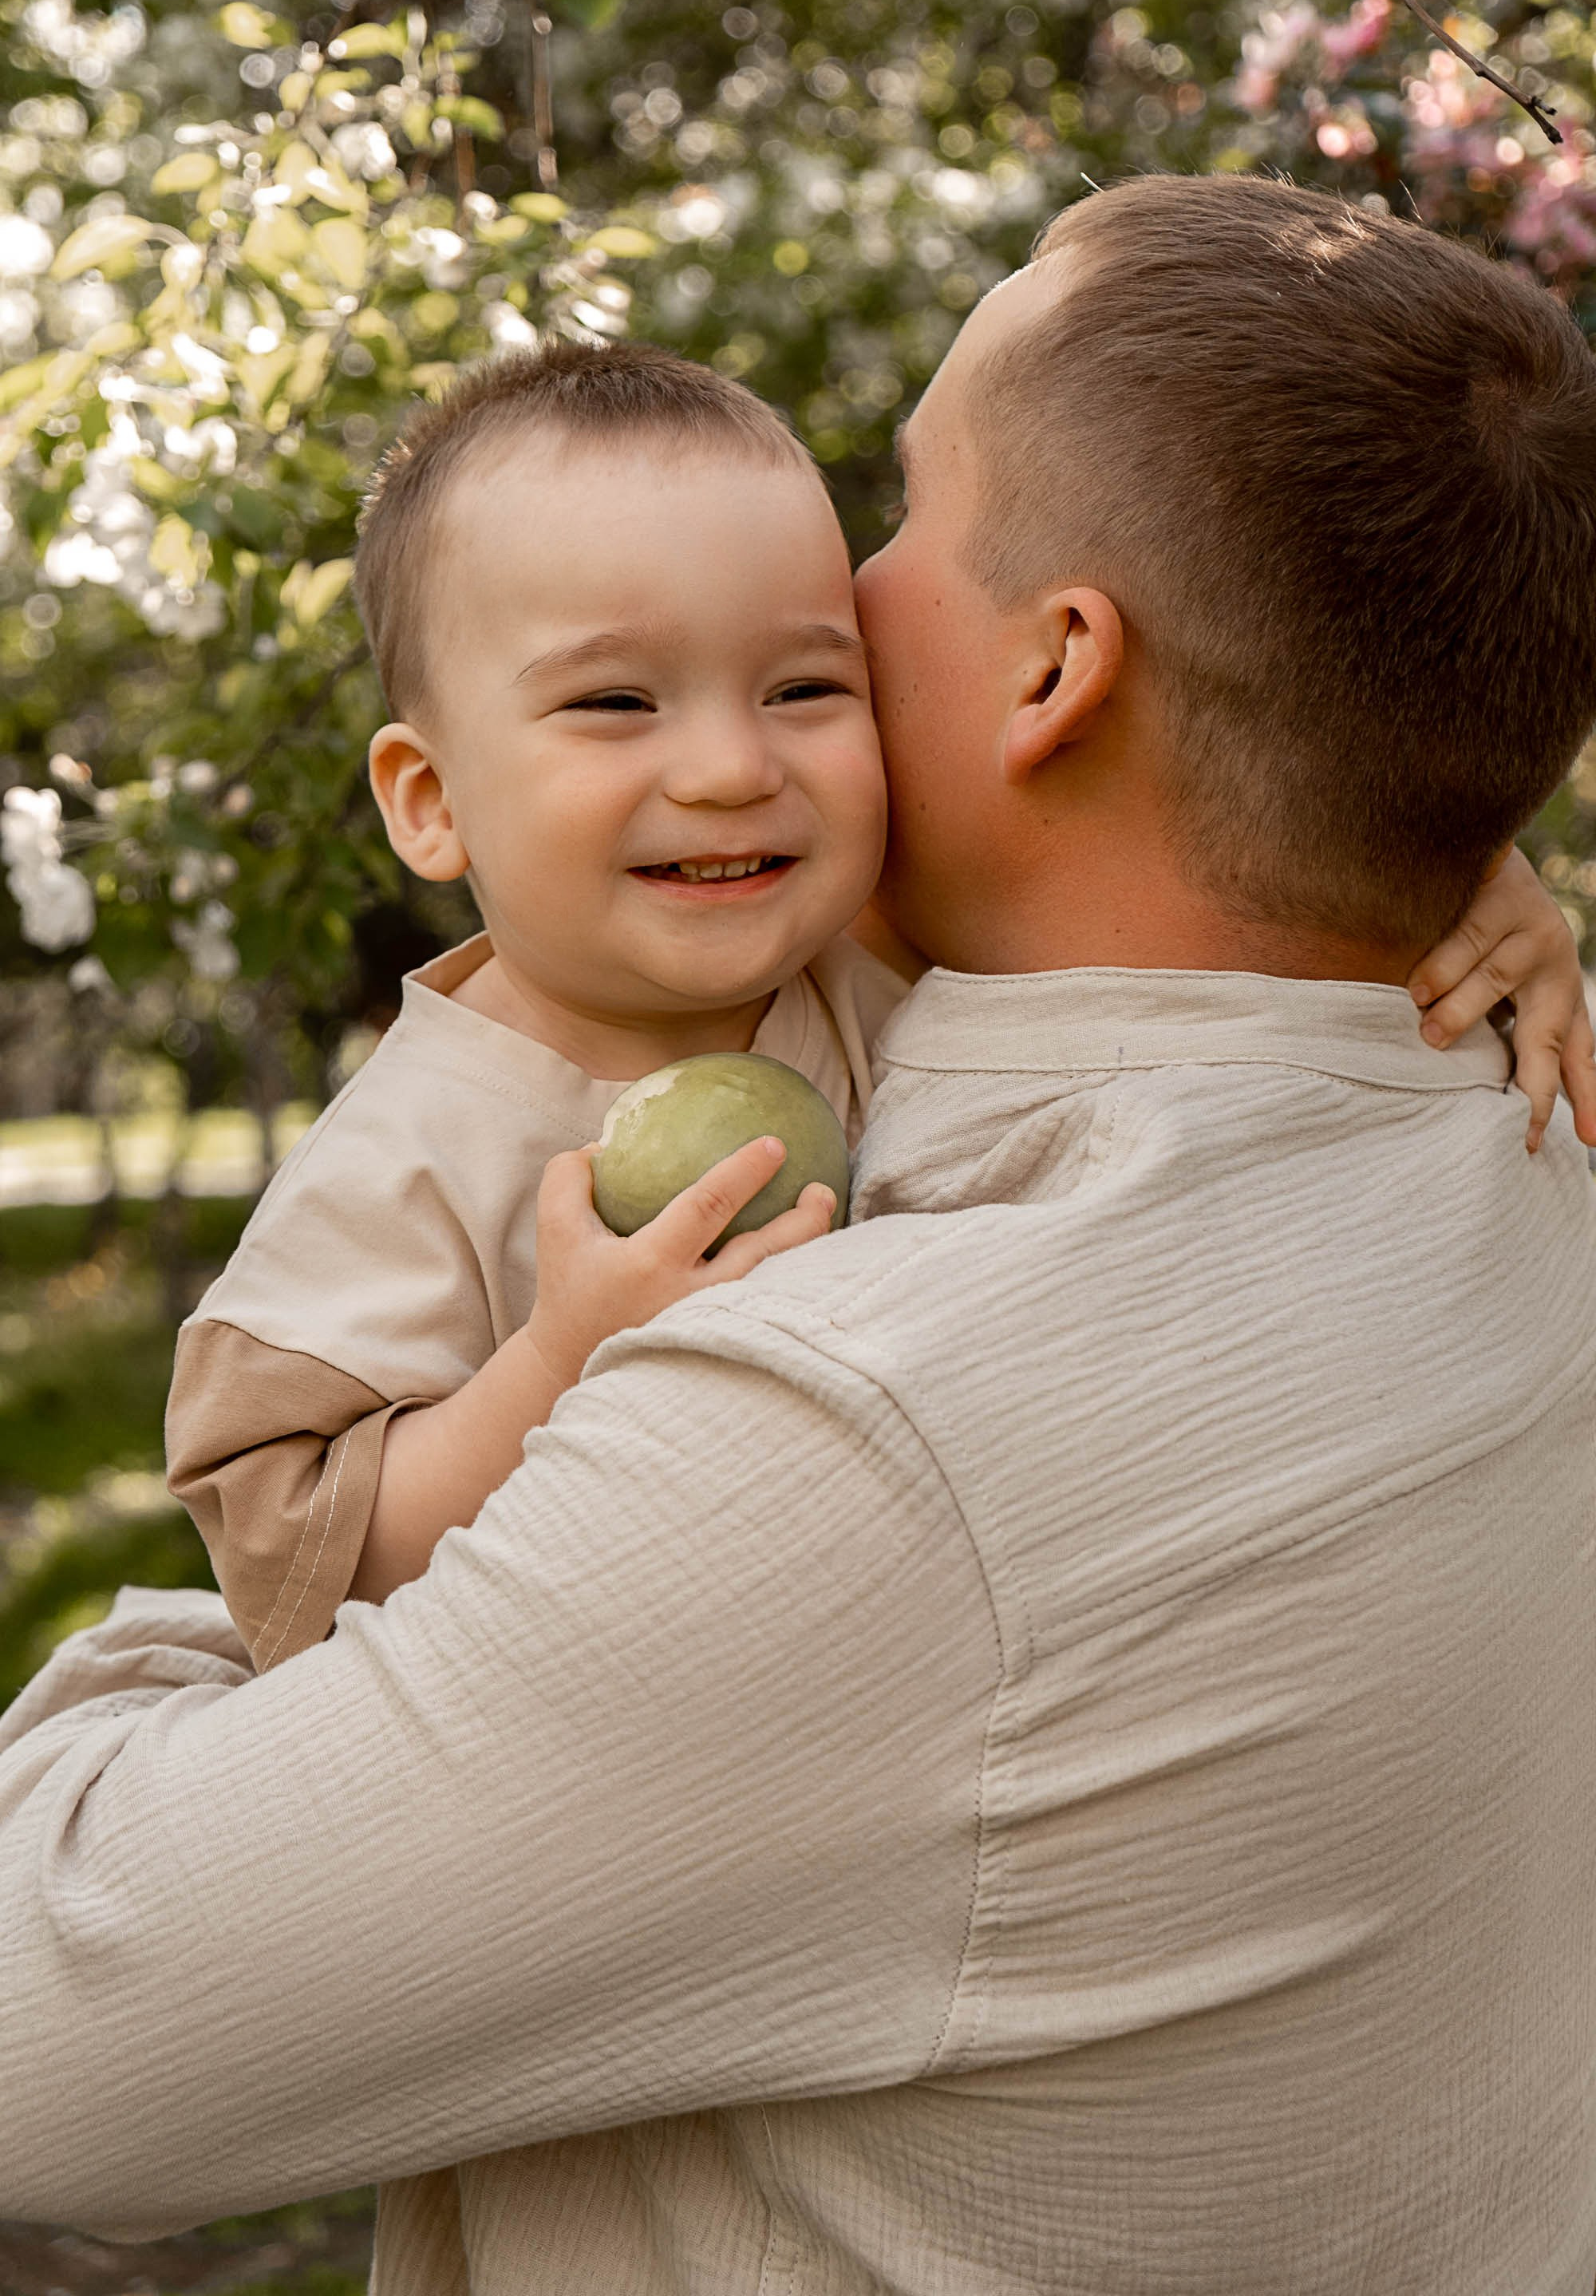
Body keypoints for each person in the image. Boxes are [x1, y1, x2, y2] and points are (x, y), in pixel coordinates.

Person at [4, 174, 1596, 2296]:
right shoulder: (1519, 1133)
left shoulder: (871, 1453)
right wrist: (1447, 867)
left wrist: (337, 1597)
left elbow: (50, 2052)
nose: (842, 579)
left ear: (1055, 669)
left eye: (907, 513)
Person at [165, 337, 1583, 1672]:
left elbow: (1231, 853)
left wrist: (1469, 883)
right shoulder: (405, 1161)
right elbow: (298, 1558)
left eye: (803, 685)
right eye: (613, 704)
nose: (730, 767)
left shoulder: (858, 940)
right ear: (430, 799)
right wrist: (555, 1358)